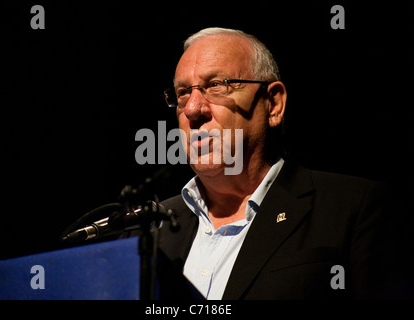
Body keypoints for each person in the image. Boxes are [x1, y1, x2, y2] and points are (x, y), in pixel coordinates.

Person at [139, 27, 405, 299]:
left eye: (216, 85)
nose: (193, 109)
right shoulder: (150, 226)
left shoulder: (353, 208)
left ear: (273, 104)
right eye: (183, 92)